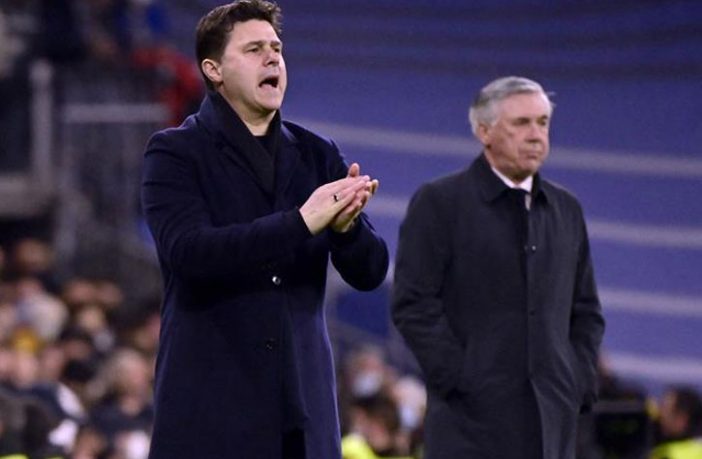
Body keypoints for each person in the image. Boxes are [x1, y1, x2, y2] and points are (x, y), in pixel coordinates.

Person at [140, 1, 389, 458]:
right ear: (214, 70)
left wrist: (348, 229)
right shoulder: (174, 152)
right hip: (212, 409)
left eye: (276, 48)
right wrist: (301, 222)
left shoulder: (317, 153)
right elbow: (189, 253)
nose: (272, 58)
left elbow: (371, 271)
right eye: (254, 49)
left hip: (304, 409)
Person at [391, 76, 605, 459]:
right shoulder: (440, 203)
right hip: (468, 428)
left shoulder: (566, 210)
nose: (536, 135)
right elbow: (413, 304)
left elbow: (585, 310)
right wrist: (460, 377)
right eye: (521, 123)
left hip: (551, 425)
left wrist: (576, 380)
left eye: (542, 122)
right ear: (484, 131)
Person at [650, 386, 702, 459]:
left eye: (665, 408)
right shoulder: (697, 450)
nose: (659, 414)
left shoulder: (668, 455)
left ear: (681, 419)